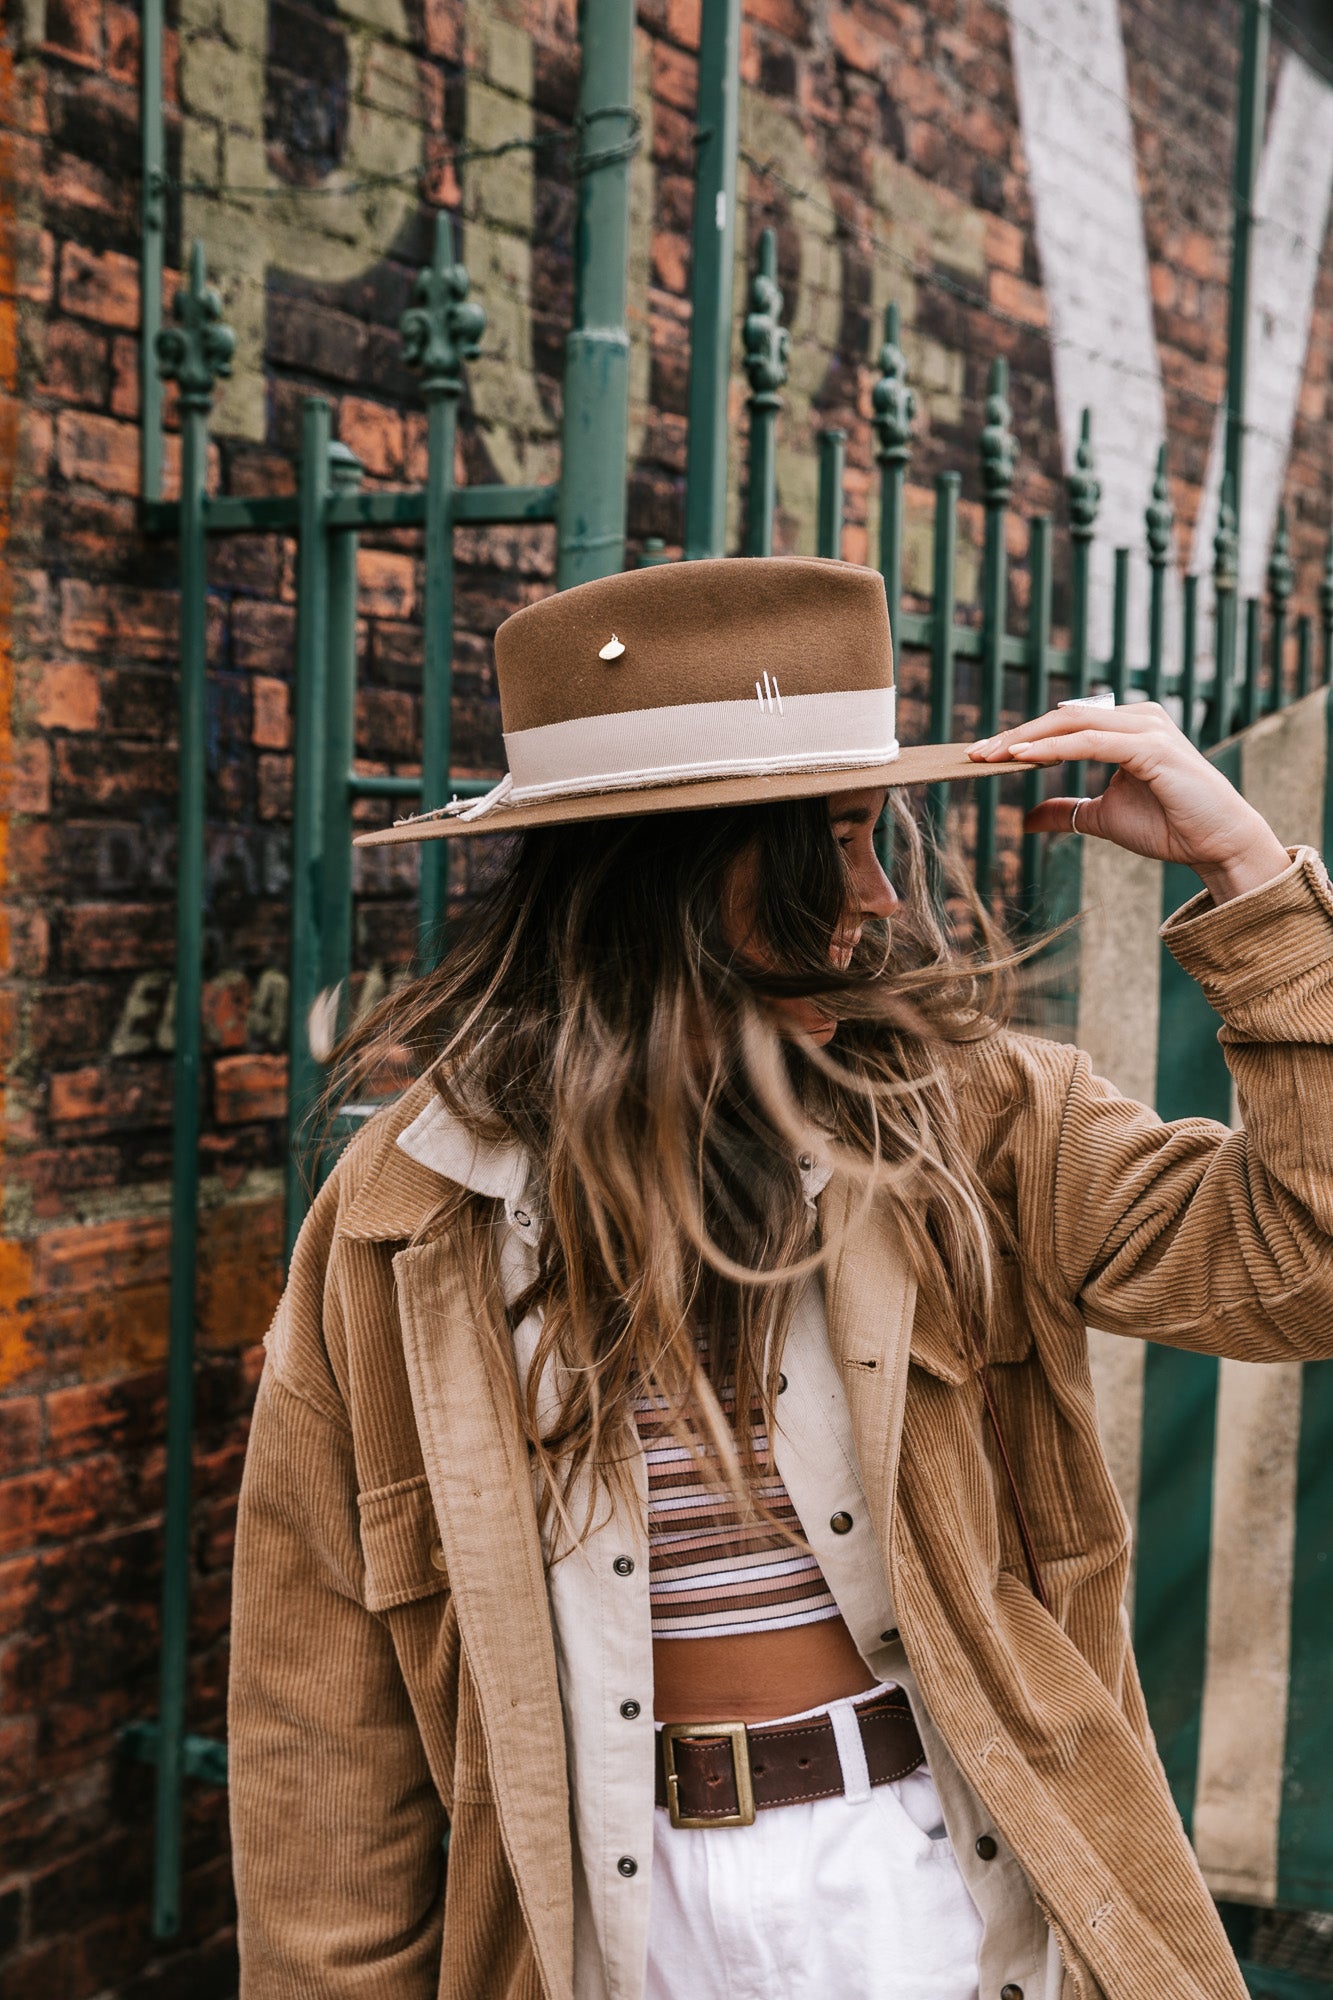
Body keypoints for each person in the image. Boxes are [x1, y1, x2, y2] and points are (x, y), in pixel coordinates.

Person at [228, 558, 1333, 2000]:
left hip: (938, 1883)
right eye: (840, 840)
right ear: (687, 865)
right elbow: (321, 1713)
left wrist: (1250, 880)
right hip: (603, 1925)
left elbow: (1299, 1263)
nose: (875, 896)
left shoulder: (980, 1121)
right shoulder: (408, 1212)